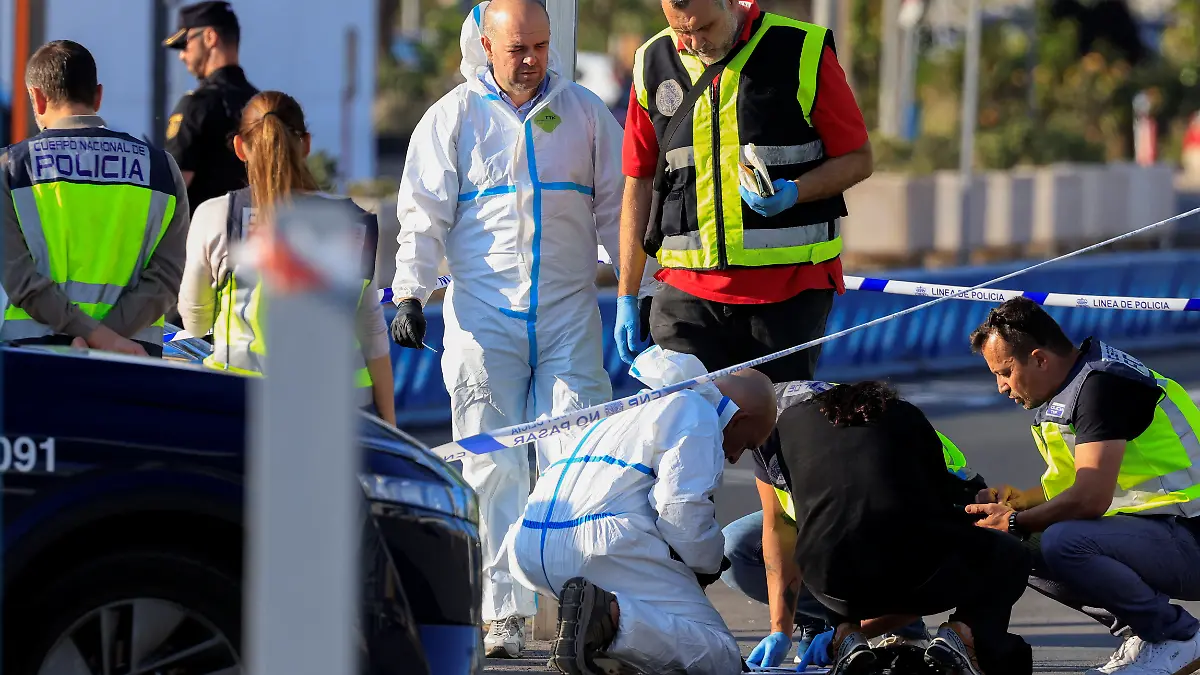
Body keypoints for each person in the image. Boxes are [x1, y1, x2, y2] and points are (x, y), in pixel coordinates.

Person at [388, 0, 653, 657]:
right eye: (517, 49)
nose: (532, 59)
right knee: (493, 468)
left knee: (577, 466)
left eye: (539, 46)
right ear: (485, 44)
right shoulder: (453, 119)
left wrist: (636, 294)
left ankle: (576, 609)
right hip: (483, 319)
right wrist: (413, 292)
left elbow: (620, 207)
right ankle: (500, 614)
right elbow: (421, 213)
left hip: (567, 313)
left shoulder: (586, 114)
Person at [612, 0, 874, 382]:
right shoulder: (651, 61)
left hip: (788, 295)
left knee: (778, 434)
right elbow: (639, 182)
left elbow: (858, 158)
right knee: (683, 433)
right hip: (684, 295)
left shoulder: (803, 49)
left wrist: (795, 192)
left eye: (705, 27)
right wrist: (626, 294)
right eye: (681, 31)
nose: (694, 42)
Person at [498, 346, 779, 675]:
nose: (735, 458)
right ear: (740, 418)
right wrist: (711, 560)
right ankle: (609, 617)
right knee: (720, 653)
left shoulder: (630, 407)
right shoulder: (697, 412)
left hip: (529, 547)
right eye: (747, 445)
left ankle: (598, 632)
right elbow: (681, 512)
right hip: (597, 546)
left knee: (655, 623)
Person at [967, 297, 1200, 675]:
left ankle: (1177, 637)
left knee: (1060, 541)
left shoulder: (1101, 388)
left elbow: (1090, 497)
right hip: (1163, 532)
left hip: (1191, 533)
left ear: (1040, 359)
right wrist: (1022, 503)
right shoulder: (1073, 385)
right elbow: (1074, 484)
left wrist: (1015, 521)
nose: (1001, 387)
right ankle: (1146, 632)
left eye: (1005, 371)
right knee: (1015, 543)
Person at [721, 379, 989, 668]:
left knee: (866, 544)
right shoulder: (764, 421)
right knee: (737, 547)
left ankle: (896, 628)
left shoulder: (821, 428)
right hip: (845, 513)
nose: (732, 459)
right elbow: (778, 525)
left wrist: (861, 630)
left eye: (727, 448)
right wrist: (780, 630)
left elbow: (925, 550)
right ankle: (829, 622)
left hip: (922, 509)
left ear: (740, 419)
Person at [776, 381, 1031, 675]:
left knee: (836, 532)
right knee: (1010, 553)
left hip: (826, 586)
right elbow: (941, 500)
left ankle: (846, 635)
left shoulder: (790, 425)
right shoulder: (904, 414)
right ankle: (962, 636)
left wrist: (779, 630)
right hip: (910, 575)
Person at [176, 91, 396, 424]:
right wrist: (389, 428)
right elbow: (374, 336)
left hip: (243, 410)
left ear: (240, 147)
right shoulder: (355, 221)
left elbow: (195, 320)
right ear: (306, 144)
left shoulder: (217, 216)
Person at [0, 40, 189, 358]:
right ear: (98, 96)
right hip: (132, 357)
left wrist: (92, 336)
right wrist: (106, 339)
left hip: (33, 358)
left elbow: (20, 280)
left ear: (37, 97)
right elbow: (167, 277)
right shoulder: (162, 168)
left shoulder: (12, 168)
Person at [162, 1, 259, 216]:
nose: (182, 55)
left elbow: (172, 190)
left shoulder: (196, 105)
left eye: (185, 44)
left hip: (208, 243)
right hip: (257, 240)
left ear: (209, 37)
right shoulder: (261, 105)